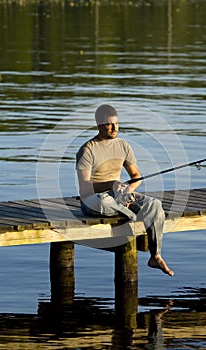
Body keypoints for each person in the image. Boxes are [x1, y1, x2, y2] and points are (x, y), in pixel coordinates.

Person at [76, 104, 174, 276]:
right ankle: (130, 214)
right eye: (109, 124)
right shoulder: (87, 149)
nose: (114, 128)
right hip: (94, 198)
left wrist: (129, 189)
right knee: (103, 201)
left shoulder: (123, 146)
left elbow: (136, 175)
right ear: (99, 125)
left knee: (155, 205)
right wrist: (111, 184)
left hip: (118, 195)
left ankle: (155, 255)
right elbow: (84, 187)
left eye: (116, 123)